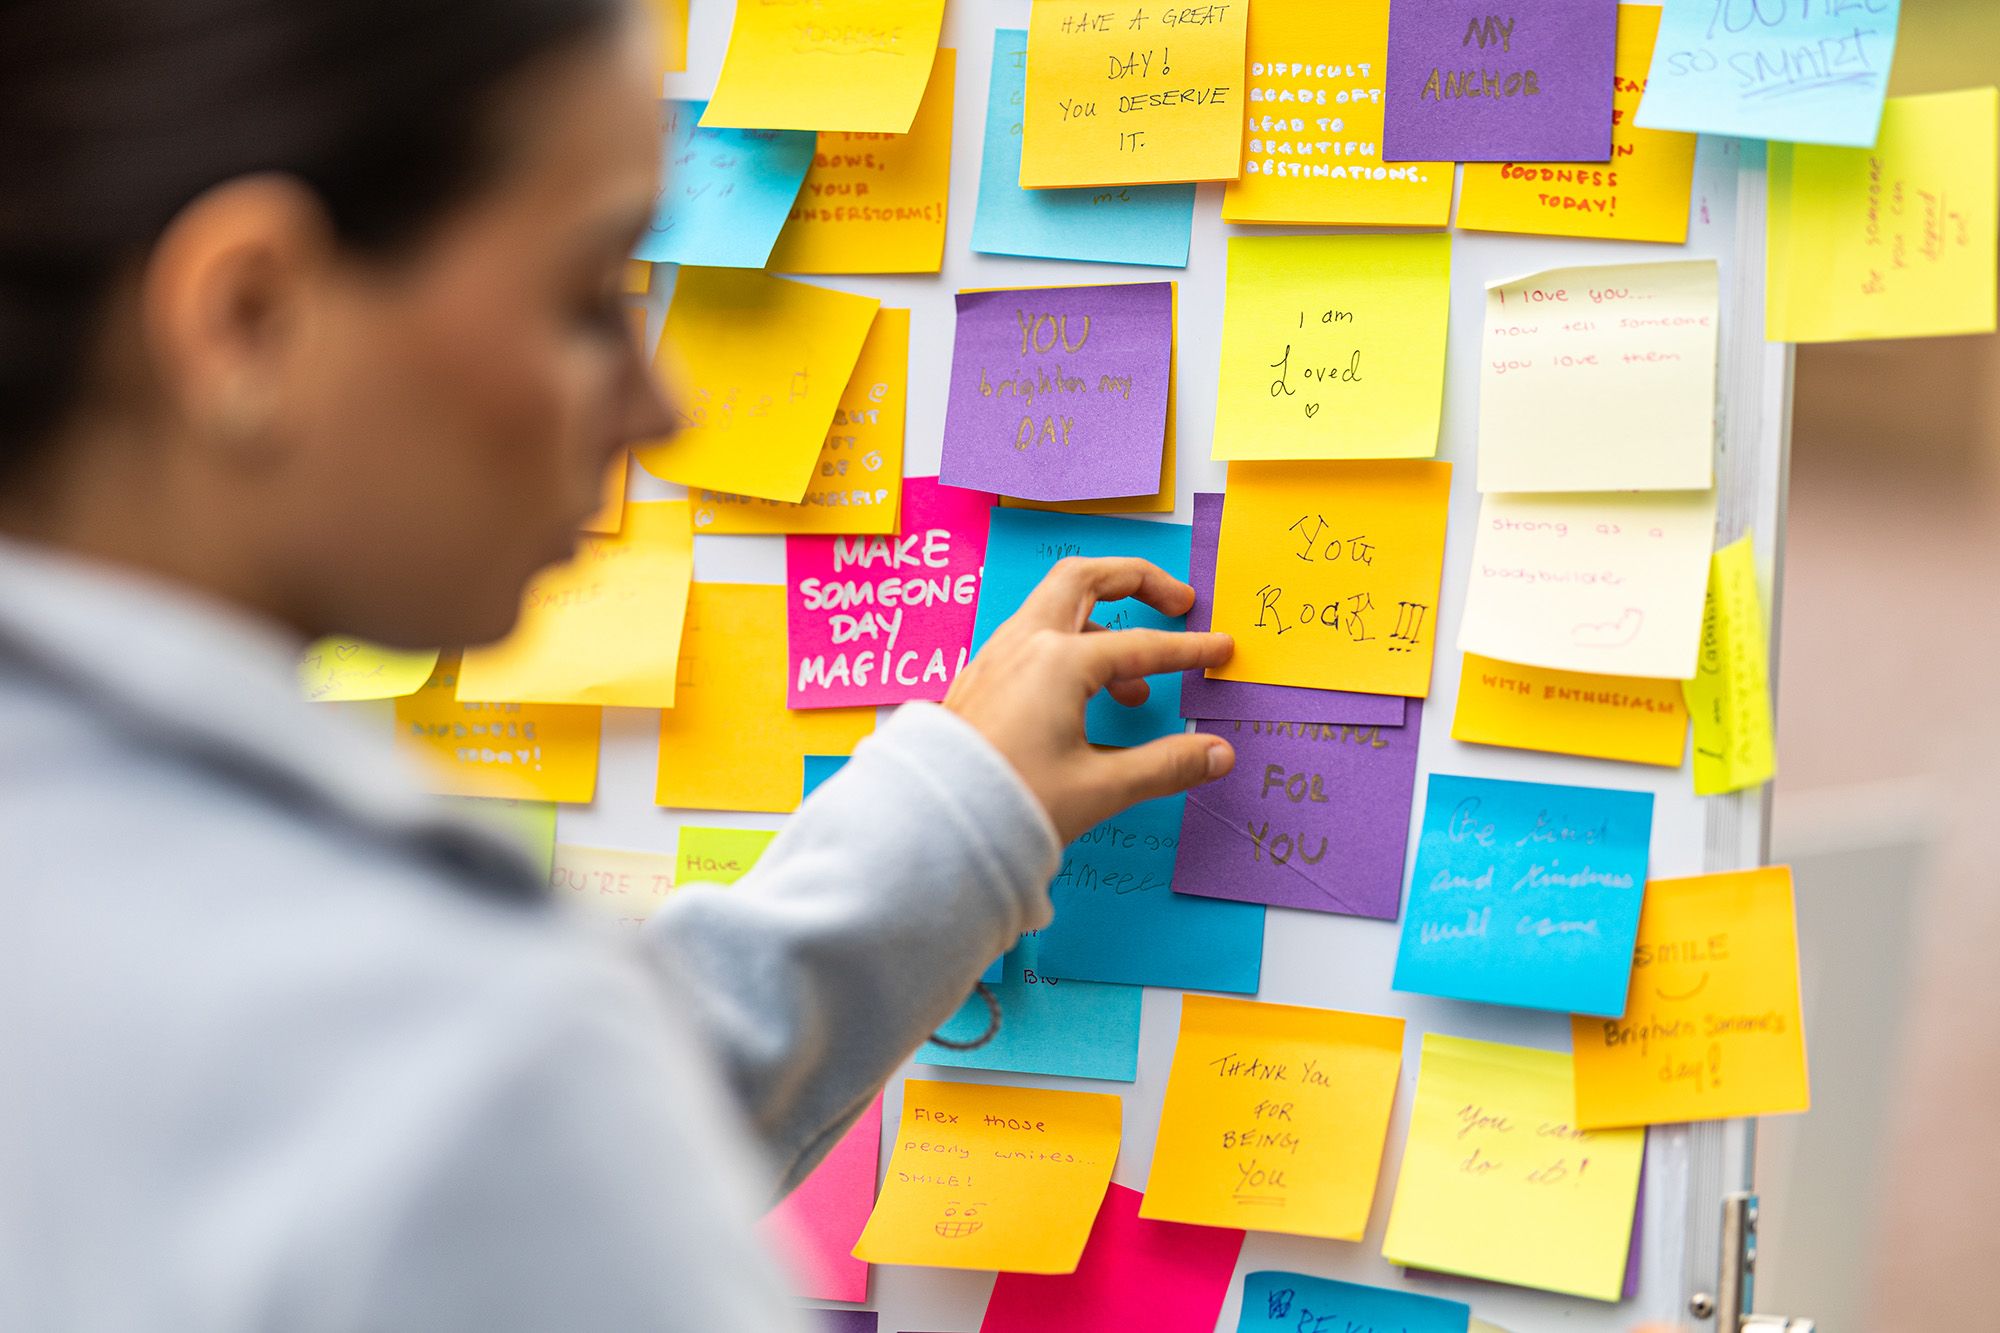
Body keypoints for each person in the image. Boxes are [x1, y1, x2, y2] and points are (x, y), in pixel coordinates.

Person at [0, 1, 1237, 1328]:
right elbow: (485, 1135)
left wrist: (955, 813)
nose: (662, 407)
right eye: (589, 296)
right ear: (249, 315)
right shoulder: (435, 1049)